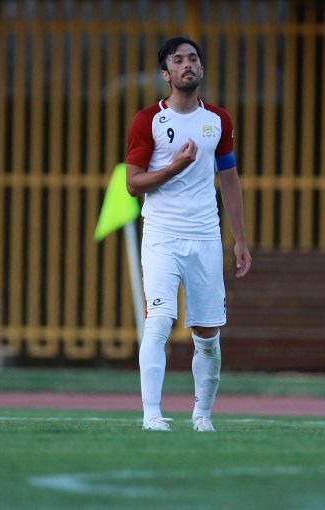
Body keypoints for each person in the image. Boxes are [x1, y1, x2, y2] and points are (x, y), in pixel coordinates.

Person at [125, 36, 252, 432]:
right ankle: (151, 415)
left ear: (202, 68)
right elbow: (133, 184)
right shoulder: (147, 120)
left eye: (193, 58)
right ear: (165, 74)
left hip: (205, 237)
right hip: (162, 235)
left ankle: (202, 416)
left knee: (208, 334)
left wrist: (240, 239)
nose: (187, 65)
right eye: (178, 60)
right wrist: (173, 168)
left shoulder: (218, 120)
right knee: (159, 322)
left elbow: (229, 180)